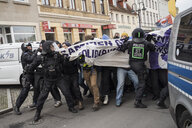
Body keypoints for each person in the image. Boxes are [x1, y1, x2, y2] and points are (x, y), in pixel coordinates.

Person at [28, 41, 77, 122]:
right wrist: (29, 71)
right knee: (42, 97)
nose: (53, 47)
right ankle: (37, 113)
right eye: (51, 46)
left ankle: (71, 107)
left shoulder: (57, 55)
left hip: (59, 78)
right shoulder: (40, 57)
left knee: (67, 92)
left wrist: (68, 59)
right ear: (47, 48)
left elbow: (64, 62)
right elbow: (32, 66)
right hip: (48, 79)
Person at [119, 28, 155, 108]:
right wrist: (149, 40)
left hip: (132, 64)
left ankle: (144, 93)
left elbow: (121, 49)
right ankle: (138, 101)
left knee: (142, 80)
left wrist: (125, 41)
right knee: (142, 83)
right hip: (141, 66)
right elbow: (153, 48)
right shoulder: (146, 43)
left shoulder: (129, 43)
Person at [29, 40, 62, 109]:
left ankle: (57, 100)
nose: (41, 47)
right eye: (40, 46)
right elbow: (32, 61)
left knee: (53, 87)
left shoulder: (50, 53)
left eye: (42, 46)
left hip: (47, 73)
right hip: (38, 73)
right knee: (37, 87)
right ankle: (35, 102)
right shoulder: (37, 52)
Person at [116, 32, 139, 107]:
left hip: (130, 68)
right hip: (121, 68)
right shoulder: (118, 46)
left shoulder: (131, 45)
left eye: (125, 36)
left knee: (137, 82)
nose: (123, 37)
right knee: (120, 84)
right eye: (122, 36)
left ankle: (137, 95)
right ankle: (118, 100)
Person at [14, 42, 36, 115]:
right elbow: (30, 59)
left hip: (33, 74)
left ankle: (35, 102)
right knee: (25, 91)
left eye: (30, 46)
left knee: (37, 88)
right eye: (28, 47)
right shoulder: (24, 55)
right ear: (25, 48)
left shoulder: (31, 53)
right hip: (27, 75)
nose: (30, 47)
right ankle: (17, 106)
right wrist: (36, 53)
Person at [62, 42, 84, 110]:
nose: (63, 48)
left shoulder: (74, 54)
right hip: (65, 75)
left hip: (74, 74)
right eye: (62, 46)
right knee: (69, 89)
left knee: (76, 88)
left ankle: (80, 101)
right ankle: (75, 100)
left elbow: (78, 63)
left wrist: (81, 72)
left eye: (64, 46)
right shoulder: (61, 55)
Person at [82, 35, 100, 111]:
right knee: (90, 85)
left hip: (93, 69)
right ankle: (96, 98)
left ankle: (96, 102)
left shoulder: (96, 47)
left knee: (93, 84)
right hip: (85, 70)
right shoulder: (81, 47)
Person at [99, 34, 117, 105]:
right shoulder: (100, 47)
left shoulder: (112, 46)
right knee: (105, 81)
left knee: (115, 78)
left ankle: (118, 93)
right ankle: (106, 96)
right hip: (105, 66)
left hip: (113, 65)